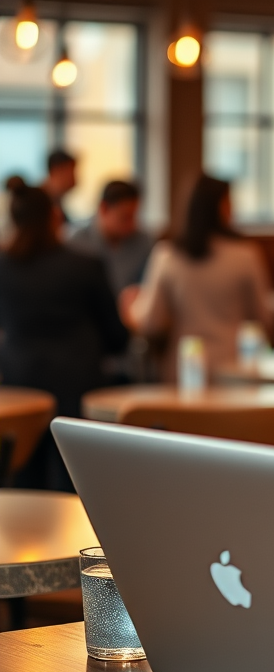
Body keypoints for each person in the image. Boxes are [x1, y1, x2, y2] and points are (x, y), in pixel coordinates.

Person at [0, 181, 128, 490]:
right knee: (76, 484)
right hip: (78, 386)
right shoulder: (86, 266)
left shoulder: (3, 267)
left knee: (22, 482)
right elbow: (117, 337)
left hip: (20, 386)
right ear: (54, 217)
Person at [128, 175, 274, 382]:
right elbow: (264, 318)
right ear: (222, 206)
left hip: (183, 367)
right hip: (233, 368)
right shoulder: (246, 256)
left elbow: (152, 322)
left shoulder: (167, 256)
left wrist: (132, 308)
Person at [68, 180, 154, 296]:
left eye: (134, 216)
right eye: (125, 217)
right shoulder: (76, 243)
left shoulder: (144, 241)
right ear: (103, 208)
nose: (132, 224)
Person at [41, 149, 77, 226]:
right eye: (71, 171)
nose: (75, 178)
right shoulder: (38, 201)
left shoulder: (56, 199)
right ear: (55, 171)